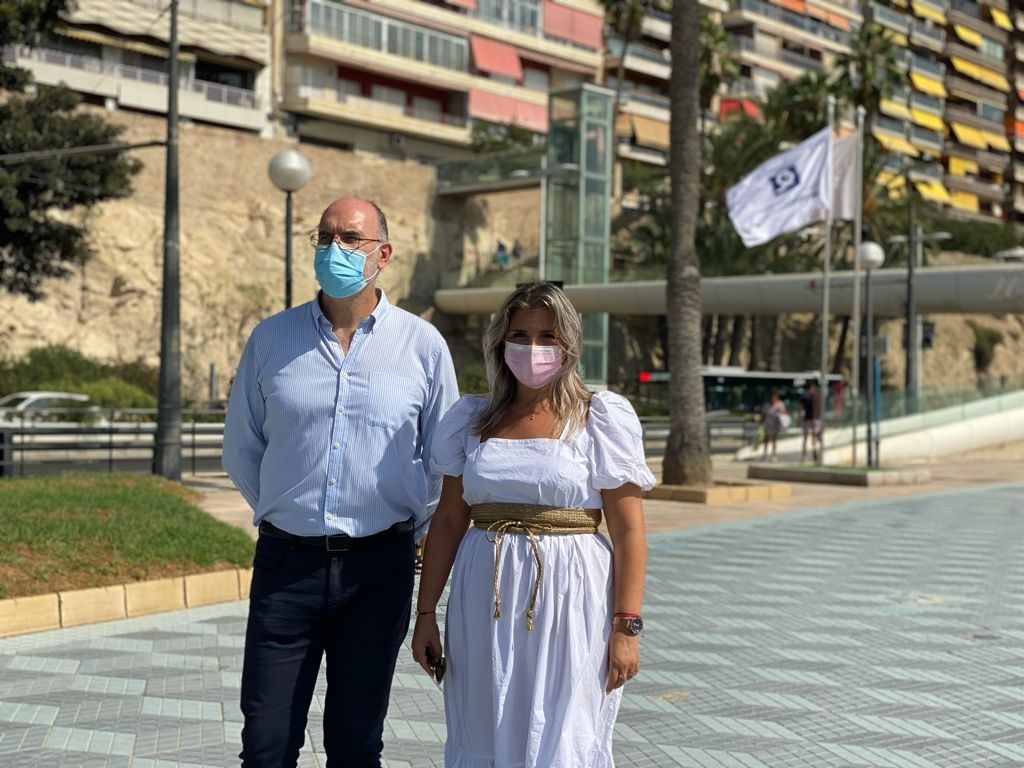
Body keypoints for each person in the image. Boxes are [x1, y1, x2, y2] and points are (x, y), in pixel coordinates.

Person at [222, 196, 459, 767]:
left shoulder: (423, 346)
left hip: (378, 570)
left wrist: (410, 523)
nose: (335, 249)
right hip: (287, 569)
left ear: (383, 253)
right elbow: (242, 448)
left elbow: (442, 458)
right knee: (266, 744)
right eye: (325, 237)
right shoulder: (272, 340)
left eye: (350, 238)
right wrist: (289, 509)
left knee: (356, 746)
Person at [411, 282, 654, 767]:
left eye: (548, 335)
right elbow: (449, 519)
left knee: (562, 728)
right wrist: (424, 616)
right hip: (484, 597)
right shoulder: (473, 420)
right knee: (483, 721)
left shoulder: (597, 417)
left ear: (569, 344)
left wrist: (626, 627)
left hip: (572, 599)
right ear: (500, 342)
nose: (533, 348)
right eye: (520, 334)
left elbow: (628, 531)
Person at [799, 381, 823, 463]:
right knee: (813, 437)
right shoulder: (816, 395)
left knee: (811, 437)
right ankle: (813, 453)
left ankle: (811, 454)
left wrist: (798, 419)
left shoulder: (806, 396)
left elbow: (800, 408)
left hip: (812, 419)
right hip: (814, 418)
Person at [760, 391, 788, 461]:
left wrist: (780, 411)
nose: (773, 398)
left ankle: (774, 454)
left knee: (774, 439)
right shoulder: (766, 405)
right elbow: (763, 415)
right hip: (768, 424)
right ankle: (765, 453)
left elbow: (785, 413)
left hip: (776, 424)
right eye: (772, 397)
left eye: (775, 397)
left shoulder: (780, 404)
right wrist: (761, 424)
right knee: (766, 439)